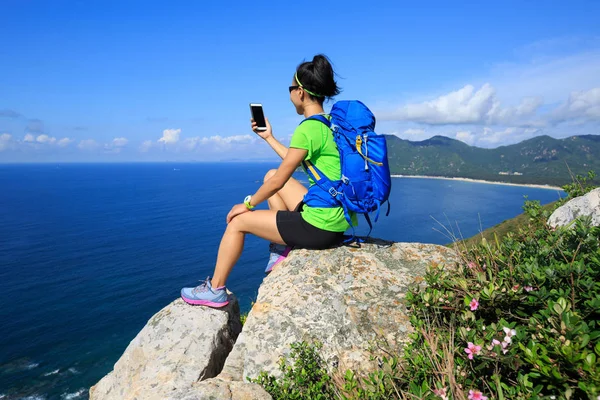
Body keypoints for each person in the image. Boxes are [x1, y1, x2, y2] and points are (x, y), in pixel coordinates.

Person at [180, 54, 353, 307]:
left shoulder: (307, 128)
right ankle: (282, 247)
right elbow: (288, 165)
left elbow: (280, 182)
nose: (290, 94)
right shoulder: (328, 124)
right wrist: (268, 137)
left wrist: (247, 205)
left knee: (237, 222)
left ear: (301, 93)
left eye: (291, 88)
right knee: (270, 173)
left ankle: (215, 289)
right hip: (338, 220)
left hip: (320, 228)